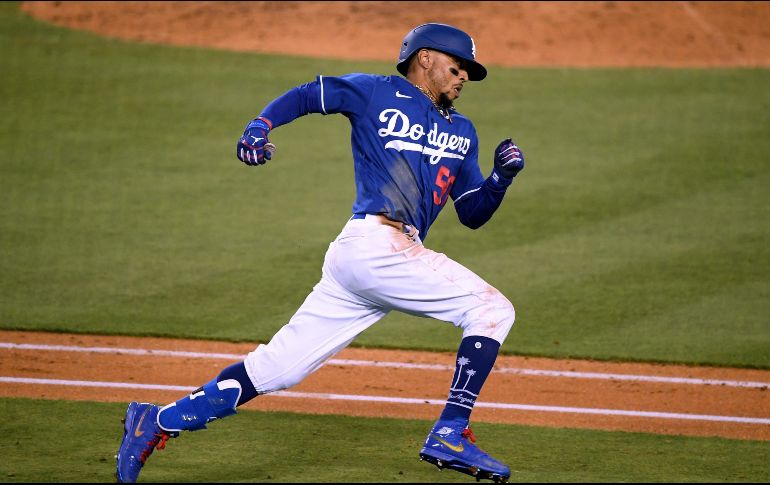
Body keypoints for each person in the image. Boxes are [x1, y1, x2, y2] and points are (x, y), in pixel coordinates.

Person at [115, 22, 525, 484]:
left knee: (277, 369)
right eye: (458, 66)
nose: (464, 76)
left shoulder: (463, 131)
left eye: (468, 71)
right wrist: (261, 124)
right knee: (492, 309)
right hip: (374, 245)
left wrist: (500, 179)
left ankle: (156, 421)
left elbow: (471, 212)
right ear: (424, 58)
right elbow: (310, 95)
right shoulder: (375, 92)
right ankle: (451, 429)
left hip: (376, 260)